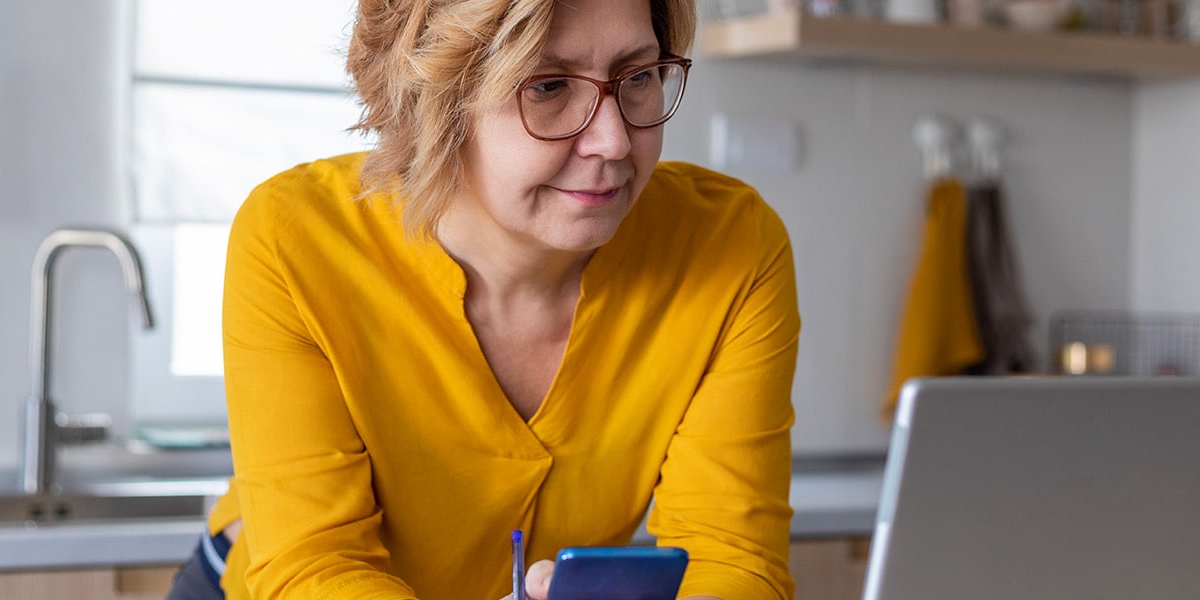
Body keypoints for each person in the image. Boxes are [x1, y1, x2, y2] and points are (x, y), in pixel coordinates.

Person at [167, 0, 802, 598]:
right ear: (434, 101)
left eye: (637, 76)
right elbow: (317, 566)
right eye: (548, 86)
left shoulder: (732, 247)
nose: (612, 141)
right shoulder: (296, 238)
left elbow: (729, 554)